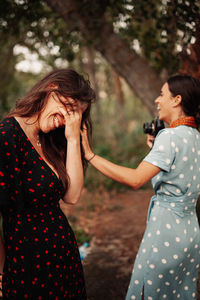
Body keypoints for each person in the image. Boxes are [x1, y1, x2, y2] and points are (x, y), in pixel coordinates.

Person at [81, 75, 200, 300]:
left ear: (177, 100)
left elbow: (136, 179)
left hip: (166, 231)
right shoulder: (195, 137)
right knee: (180, 293)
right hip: (190, 233)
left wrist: (90, 155)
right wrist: (157, 146)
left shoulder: (170, 137)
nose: (157, 100)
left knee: (150, 292)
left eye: (162, 94)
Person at [0, 69, 95, 299]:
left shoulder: (51, 140)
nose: (68, 121)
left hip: (65, 261)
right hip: (26, 268)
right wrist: (1, 271)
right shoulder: (7, 135)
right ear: (52, 88)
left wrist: (73, 138)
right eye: (69, 109)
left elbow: (71, 197)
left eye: (76, 117)